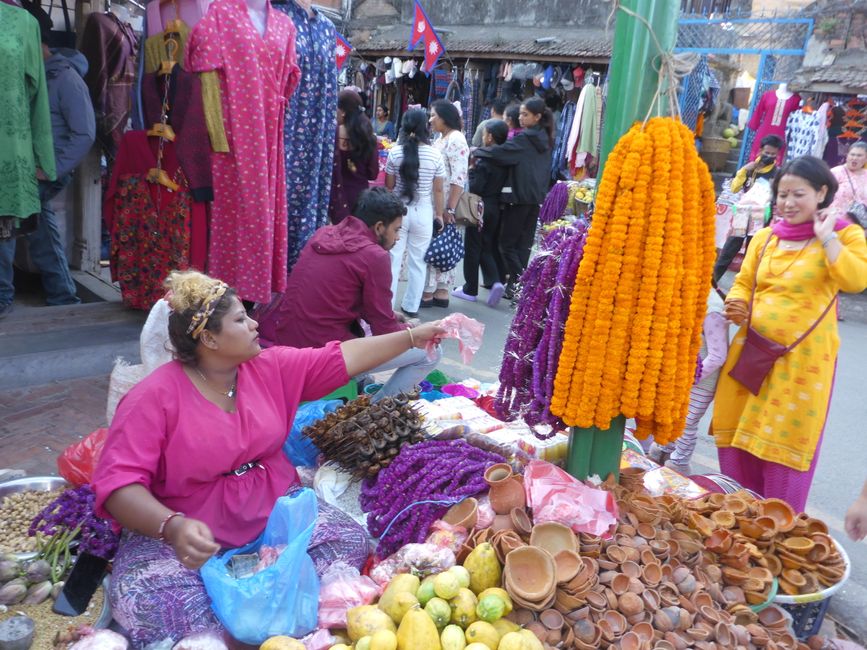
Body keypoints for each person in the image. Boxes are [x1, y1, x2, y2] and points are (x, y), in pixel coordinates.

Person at [91, 269, 445, 647]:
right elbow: (118, 485)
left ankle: (254, 603)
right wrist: (172, 526)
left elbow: (340, 357)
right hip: (191, 535)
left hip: (272, 512)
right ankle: (249, 613)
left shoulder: (268, 367)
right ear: (208, 338)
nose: (255, 323)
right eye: (241, 319)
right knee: (148, 598)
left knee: (349, 541)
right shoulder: (153, 398)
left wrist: (413, 336)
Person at [712, 156, 867, 513]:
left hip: (801, 366)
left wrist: (827, 239)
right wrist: (736, 304)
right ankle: (738, 524)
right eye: (782, 195)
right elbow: (743, 283)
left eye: (798, 194)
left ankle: (778, 533)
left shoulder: (845, 234)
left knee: (784, 442)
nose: (787, 203)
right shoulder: (766, 237)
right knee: (737, 439)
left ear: (822, 192)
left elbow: (855, 280)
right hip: (750, 355)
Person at [257, 187, 443, 399]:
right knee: (430, 353)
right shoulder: (374, 256)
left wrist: (395, 319)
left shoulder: (323, 234)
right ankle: (377, 412)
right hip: (324, 358)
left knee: (372, 330)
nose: (398, 237)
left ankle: (361, 384)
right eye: (397, 229)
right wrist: (412, 330)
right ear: (380, 227)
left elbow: (342, 298)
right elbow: (385, 330)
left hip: (288, 347)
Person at [0, 15, 95, 317]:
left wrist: (52, 169)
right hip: (27, 166)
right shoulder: (37, 75)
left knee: (12, 227)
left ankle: (14, 296)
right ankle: (62, 296)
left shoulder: (67, 79)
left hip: (44, 170)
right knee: (35, 231)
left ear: (38, 44)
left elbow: (85, 133)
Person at [474, 96, 554, 300]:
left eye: (525, 114)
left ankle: (525, 284)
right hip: (535, 198)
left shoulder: (525, 139)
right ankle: (515, 286)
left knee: (506, 244)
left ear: (537, 117)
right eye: (520, 114)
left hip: (518, 197)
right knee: (522, 245)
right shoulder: (545, 138)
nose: (521, 117)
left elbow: (501, 154)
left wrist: (477, 151)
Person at [649, 288, 729, 474]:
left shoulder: (713, 310)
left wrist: (692, 377)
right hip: (685, 375)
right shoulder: (690, 296)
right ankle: (664, 449)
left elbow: (718, 356)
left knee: (687, 421)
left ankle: (680, 462)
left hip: (703, 381)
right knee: (673, 415)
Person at [385, 108, 446, 317]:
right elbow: (438, 190)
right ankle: (411, 307)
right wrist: (440, 215)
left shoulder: (395, 152)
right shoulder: (435, 155)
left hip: (398, 212)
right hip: (424, 213)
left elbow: (390, 186)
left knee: (392, 259)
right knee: (418, 262)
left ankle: (387, 306)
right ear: (425, 128)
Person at [453, 119, 509, 307]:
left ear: (490, 137)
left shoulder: (483, 158)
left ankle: (470, 289)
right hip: (496, 207)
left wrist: (471, 170)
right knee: (486, 245)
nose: (483, 136)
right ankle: (495, 281)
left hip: (479, 207)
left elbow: (477, 186)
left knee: (473, 246)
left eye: (484, 133)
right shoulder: (505, 158)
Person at [713, 134, 783, 283]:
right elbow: (734, 188)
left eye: (772, 154)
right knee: (732, 245)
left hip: (761, 215)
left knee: (752, 250)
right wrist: (744, 171)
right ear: (760, 151)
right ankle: (713, 279)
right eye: (766, 152)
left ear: (777, 155)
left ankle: (744, 285)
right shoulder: (749, 168)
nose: (769, 156)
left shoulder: (777, 173)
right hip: (743, 212)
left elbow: (778, 197)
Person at [421, 99, 470, 309]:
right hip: (438, 202)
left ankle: (432, 291)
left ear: (445, 117)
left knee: (440, 243)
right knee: (440, 243)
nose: (431, 120)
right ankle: (439, 292)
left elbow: (459, 177)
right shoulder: (442, 138)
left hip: (446, 203)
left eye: (434, 115)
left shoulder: (456, 139)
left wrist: (448, 208)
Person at [329, 89, 380, 225]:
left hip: (334, 198)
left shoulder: (330, 136)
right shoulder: (369, 138)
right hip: (360, 200)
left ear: (344, 111)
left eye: (337, 109)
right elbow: (373, 174)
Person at [828, 141, 867, 225]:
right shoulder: (836, 172)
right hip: (836, 222)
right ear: (847, 156)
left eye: (859, 155)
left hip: (860, 224)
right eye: (852, 154)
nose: (854, 158)